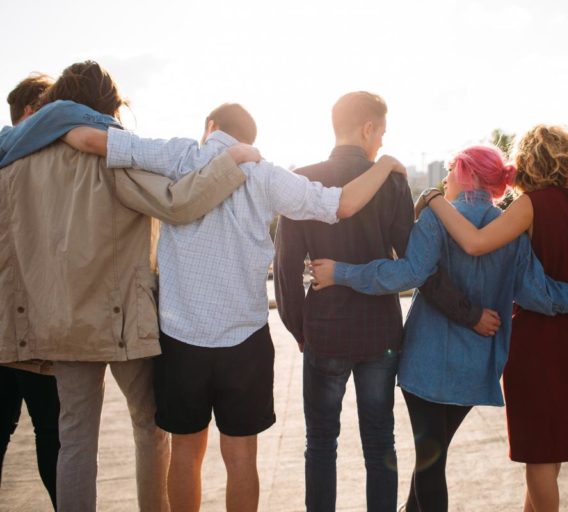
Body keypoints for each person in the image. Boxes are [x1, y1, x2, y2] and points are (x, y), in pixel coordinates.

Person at [62, 101, 410, 512]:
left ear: (210, 126)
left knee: (186, 452)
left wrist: (49, 125)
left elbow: (86, 139)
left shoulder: (178, 155)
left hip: (181, 337)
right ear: (250, 140)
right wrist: (385, 164)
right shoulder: (264, 174)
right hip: (244, 340)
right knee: (242, 456)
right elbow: (343, 204)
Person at [0, 60, 260, 512]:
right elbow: (179, 203)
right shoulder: (109, 153)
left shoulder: (16, 163)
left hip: (60, 320)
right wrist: (229, 164)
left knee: (74, 437)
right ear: (108, 104)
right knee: (149, 429)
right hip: (123, 317)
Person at [311, 144, 568, 512]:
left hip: (424, 364)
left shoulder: (438, 218)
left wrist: (342, 272)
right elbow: (540, 294)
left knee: (430, 462)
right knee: (433, 453)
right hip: (476, 366)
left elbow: (407, 273)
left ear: (466, 173)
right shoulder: (509, 228)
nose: (446, 178)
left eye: (451, 170)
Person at [274, 91, 484, 512]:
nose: (382, 144)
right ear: (367, 128)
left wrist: (301, 330)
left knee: (319, 446)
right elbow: (417, 266)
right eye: (381, 134)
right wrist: (470, 313)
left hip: (325, 333)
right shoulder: (390, 183)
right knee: (379, 444)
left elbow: (284, 268)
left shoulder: (301, 180)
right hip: (379, 338)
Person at [410, 127, 568, 512]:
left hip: (537, 343)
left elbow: (477, 244)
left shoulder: (530, 206)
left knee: (540, 458)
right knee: (559, 451)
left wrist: (432, 198)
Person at [0, 72, 60, 509]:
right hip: (29, 327)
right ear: (32, 114)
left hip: (30, 326)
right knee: (51, 434)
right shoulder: (37, 168)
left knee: (52, 436)